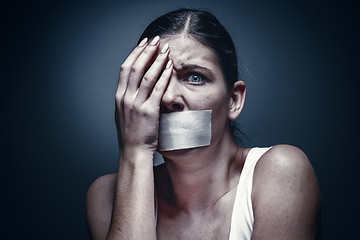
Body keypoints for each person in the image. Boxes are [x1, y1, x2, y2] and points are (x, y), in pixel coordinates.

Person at [86, 8, 321, 240]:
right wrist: (135, 152)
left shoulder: (281, 171)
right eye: (154, 77)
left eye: (194, 77)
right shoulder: (106, 195)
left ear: (233, 100)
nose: (168, 98)